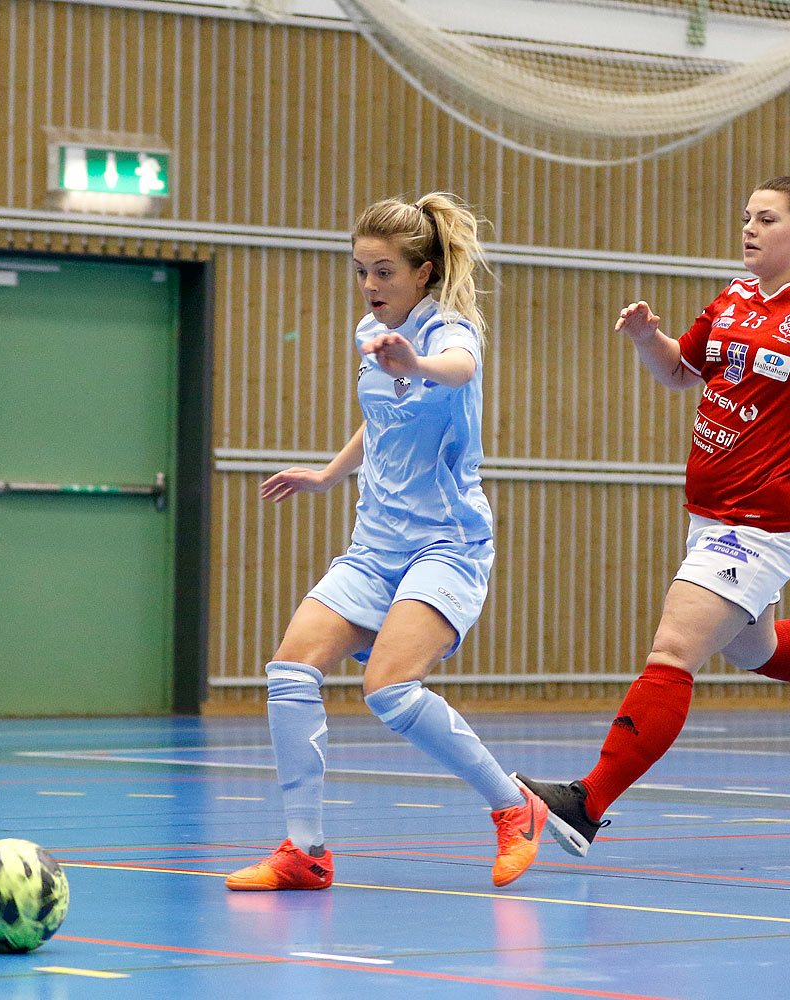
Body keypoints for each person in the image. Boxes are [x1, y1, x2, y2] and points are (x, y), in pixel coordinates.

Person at [513, 152, 790, 858]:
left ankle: (587, 803)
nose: (748, 229)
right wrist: (643, 338)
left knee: (674, 649)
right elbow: (677, 373)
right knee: (760, 648)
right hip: (711, 514)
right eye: (745, 218)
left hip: (761, 520)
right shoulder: (732, 297)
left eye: (764, 219)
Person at [225, 193, 547, 891]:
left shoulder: (450, 333)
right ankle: (305, 852)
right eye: (361, 272)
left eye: (385, 273)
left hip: (446, 547)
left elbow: (456, 369)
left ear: (423, 272)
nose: (371, 287)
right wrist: (328, 475)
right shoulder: (371, 335)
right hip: (374, 547)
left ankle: (514, 807)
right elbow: (381, 420)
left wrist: (418, 365)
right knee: (288, 671)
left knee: (389, 689)